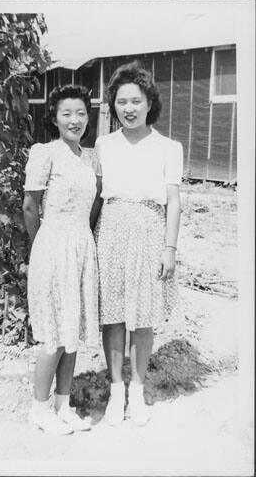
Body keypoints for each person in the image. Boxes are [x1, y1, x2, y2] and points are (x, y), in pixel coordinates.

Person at [92, 62, 183, 426]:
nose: (128, 108)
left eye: (135, 101)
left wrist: (170, 248)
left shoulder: (168, 147)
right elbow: (98, 196)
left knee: (143, 316)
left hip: (150, 230)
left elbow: (174, 201)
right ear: (113, 104)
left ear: (149, 103)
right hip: (111, 229)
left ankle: (138, 391)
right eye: (121, 101)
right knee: (112, 316)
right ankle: (116, 392)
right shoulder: (103, 143)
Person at [23, 85, 100, 435]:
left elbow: (94, 206)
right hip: (52, 248)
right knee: (53, 336)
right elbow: (29, 206)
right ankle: (38, 410)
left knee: (73, 333)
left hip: (81, 247)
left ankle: (62, 405)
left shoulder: (90, 157)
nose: (75, 120)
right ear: (54, 117)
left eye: (81, 113)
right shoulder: (45, 153)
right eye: (67, 113)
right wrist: (41, 246)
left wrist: (81, 239)